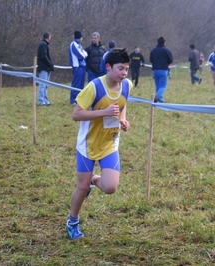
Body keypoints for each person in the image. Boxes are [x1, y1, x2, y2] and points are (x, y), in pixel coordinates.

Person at [66, 48, 133, 240]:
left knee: (111, 187)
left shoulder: (127, 85)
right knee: (81, 187)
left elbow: (122, 102)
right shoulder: (94, 87)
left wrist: (122, 119)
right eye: (120, 68)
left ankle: (94, 180)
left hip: (109, 143)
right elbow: (76, 114)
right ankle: (72, 222)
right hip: (88, 145)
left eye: (126, 69)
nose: (124, 73)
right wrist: (103, 112)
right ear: (108, 67)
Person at [149, 37, 173, 103]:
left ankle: (160, 100)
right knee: (163, 86)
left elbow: (151, 60)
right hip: (163, 69)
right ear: (164, 42)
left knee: (158, 85)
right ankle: (157, 96)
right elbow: (171, 60)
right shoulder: (166, 50)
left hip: (155, 70)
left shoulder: (153, 50)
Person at [69, 30, 88, 104]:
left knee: (81, 84)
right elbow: (82, 55)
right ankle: (73, 100)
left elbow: (85, 53)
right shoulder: (74, 44)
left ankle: (79, 99)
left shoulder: (79, 45)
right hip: (77, 67)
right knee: (76, 83)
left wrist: (84, 54)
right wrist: (84, 55)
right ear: (80, 37)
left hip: (82, 67)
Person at [37, 32, 54, 106]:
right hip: (44, 67)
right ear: (48, 37)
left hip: (46, 68)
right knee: (43, 84)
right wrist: (49, 64)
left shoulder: (44, 45)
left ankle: (45, 100)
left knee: (46, 85)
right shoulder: (43, 45)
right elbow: (44, 56)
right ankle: (41, 100)